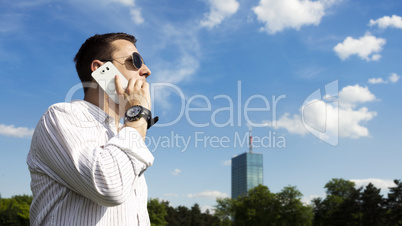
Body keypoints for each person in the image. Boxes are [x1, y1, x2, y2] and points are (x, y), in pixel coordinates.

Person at [27, 32, 157, 225]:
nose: (146, 70)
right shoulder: (60, 116)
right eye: (135, 60)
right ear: (102, 69)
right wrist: (138, 115)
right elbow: (110, 188)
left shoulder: (125, 134)